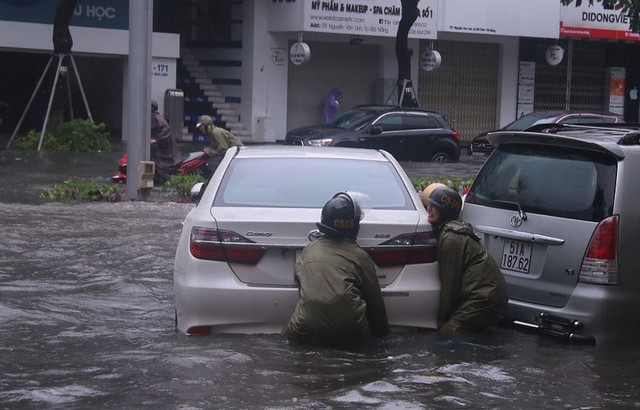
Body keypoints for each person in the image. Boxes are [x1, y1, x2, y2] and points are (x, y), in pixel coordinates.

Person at [282, 192, 390, 346]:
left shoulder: (308, 250)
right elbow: (375, 304)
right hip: (352, 330)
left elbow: (303, 286)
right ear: (354, 226)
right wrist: (383, 337)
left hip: (305, 330)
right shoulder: (360, 256)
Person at [422, 184, 507, 335]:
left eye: (434, 206)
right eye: (429, 205)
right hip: (487, 296)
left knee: (447, 333)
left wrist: (441, 323)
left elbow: (450, 287)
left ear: (444, 212)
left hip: (483, 298)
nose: (429, 209)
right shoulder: (453, 231)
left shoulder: (451, 238)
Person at [151, 101, 182, 184]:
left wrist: (156, 140)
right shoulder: (152, 118)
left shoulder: (158, 119)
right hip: (158, 147)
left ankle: (168, 181)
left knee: (160, 166)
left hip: (165, 150)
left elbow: (166, 131)